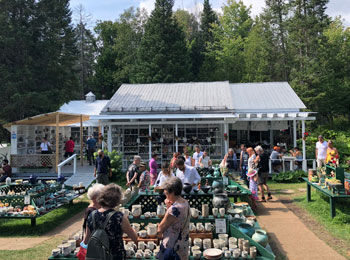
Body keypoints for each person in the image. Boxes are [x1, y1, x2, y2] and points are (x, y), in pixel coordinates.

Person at [83, 184, 138, 260]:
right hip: (115, 256)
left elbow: (86, 241)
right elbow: (134, 237)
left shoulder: (92, 215)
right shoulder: (119, 217)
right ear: (117, 200)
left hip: (97, 256)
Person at [157, 177, 190, 260]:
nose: (166, 196)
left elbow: (160, 228)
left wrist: (168, 209)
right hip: (183, 246)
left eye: (166, 194)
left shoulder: (174, 209)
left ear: (172, 193)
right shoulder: (185, 202)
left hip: (172, 248)